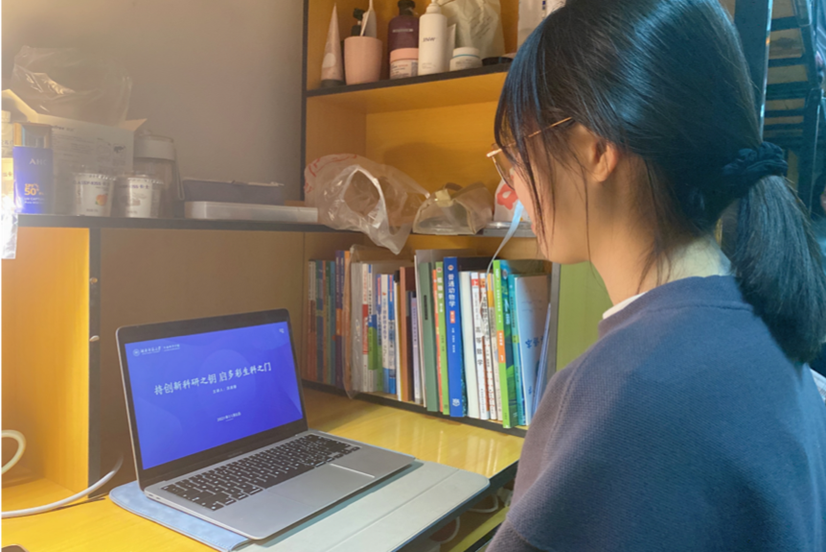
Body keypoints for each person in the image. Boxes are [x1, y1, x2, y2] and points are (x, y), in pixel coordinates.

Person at [485, 0, 826, 550]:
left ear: (596, 149)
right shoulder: (772, 327)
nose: (511, 188)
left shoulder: (619, 394)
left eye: (516, 155)